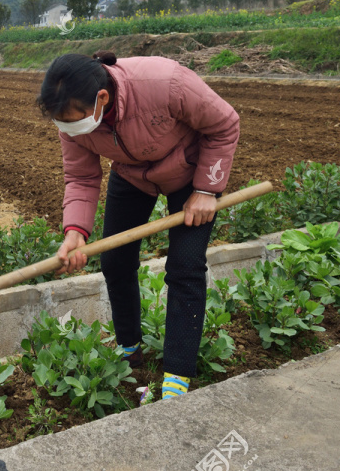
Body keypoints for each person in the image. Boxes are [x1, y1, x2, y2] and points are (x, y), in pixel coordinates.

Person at [37, 50, 240, 401]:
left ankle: (177, 374)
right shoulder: (71, 120)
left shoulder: (165, 83)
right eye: (62, 123)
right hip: (132, 176)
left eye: (74, 121)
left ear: (102, 98)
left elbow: (224, 124)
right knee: (115, 261)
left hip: (191, 173)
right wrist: (75, 234)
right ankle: (129, 350)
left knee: (185, 267)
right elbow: (82, 177)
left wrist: (207, 190)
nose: (69, 129)